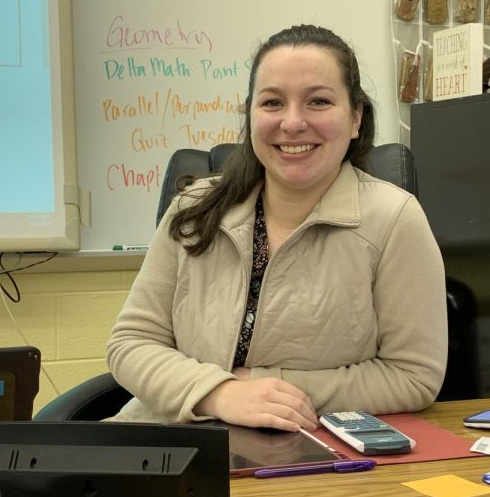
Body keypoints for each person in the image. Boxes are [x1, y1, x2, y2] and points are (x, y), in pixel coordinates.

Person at [106, 24, 447, 432]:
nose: (292, 123)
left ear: (356, 117)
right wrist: (219, 393)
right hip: (172, 441)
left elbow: (413, 376)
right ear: (250, 115)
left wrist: (271, 387)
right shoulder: (195, 208)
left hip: (306, 452)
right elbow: (130, 343)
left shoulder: (394, 220)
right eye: (272, 103)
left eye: (318, 101)